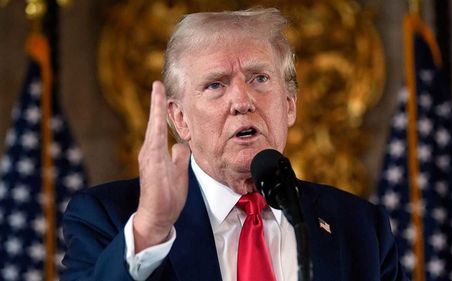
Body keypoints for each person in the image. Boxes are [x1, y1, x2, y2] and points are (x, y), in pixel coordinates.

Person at [61, 8, 407, 281]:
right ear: (179, 118)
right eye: (215, 84)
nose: (243, 100)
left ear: (289, 104)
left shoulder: (360, 227)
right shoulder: (109, 218)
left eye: (259, 78)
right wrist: (150, 231)